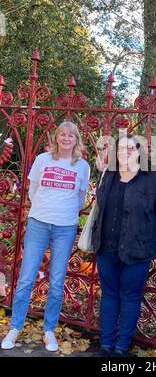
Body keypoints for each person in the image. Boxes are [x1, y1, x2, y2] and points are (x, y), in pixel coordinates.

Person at [1, 121, 90, 352]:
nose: (66, 138)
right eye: (62, 134)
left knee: (57, 281)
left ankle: (49, 330)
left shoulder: (82, 166)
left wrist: (64, 211)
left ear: (76, 139)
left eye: (71, 135)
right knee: (27, 278)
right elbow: (32, 190)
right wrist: (44, 207)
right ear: (56, 137)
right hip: (39, 224)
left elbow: (80, 198)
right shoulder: (42, 160)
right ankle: (15, 326)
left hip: (65, 228)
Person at [92, 134, 156, 357]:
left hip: (138, 250)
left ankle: (120, 347)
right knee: (109, 295)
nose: (125, 152)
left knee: (130, 297)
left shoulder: (152, 178)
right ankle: (106, 345)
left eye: (130, 148)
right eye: (121, 148)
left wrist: (153, 237)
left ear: (139, 152)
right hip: (106, 248)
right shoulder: (108, 175)